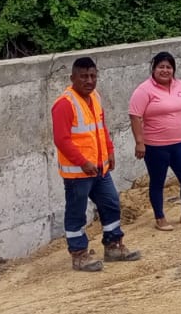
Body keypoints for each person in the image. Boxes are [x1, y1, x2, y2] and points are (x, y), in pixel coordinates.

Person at [51, 56, 141, 272]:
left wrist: (110, 151)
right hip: (78, 173)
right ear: (72, 78)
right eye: (84, 76)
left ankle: (113, 245)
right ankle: (79, 254)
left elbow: (101, 128)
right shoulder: (64, 104)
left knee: (111, 203)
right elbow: (61, 140)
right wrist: (82, 162)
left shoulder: (95, 97)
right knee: (77, 213)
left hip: (100, 168)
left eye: (93, 76)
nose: (89, 81)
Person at [129, 51, 181, 231]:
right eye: (161, 67)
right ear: (153, 69)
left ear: (173, 70)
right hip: (155, 147)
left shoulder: (180, 86)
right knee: (158, 182)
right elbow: (135, 116)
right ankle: (160, 217)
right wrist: (139, 142)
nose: (165, 70)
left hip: (178, 144)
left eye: (169, 67)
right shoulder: (144, 90)